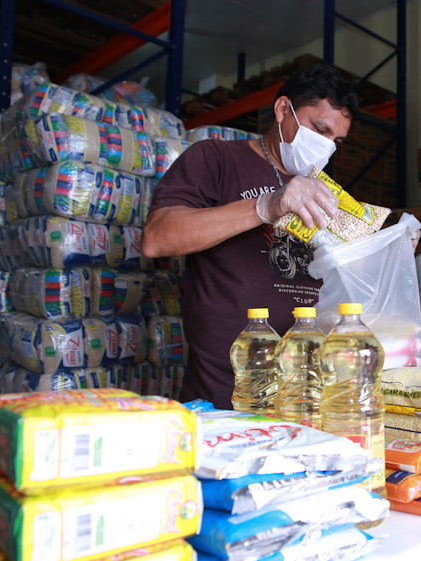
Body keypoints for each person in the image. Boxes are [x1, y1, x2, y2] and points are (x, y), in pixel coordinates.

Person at [141, 63, 360, 408]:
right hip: (227, 395)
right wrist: (265, 205)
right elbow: (157, 237)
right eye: (320, 130)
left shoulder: (325, 193)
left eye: (337, 141)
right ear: (283, 109)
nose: (326, 147)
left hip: (306, 395)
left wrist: (387, 247)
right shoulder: (216, 158)